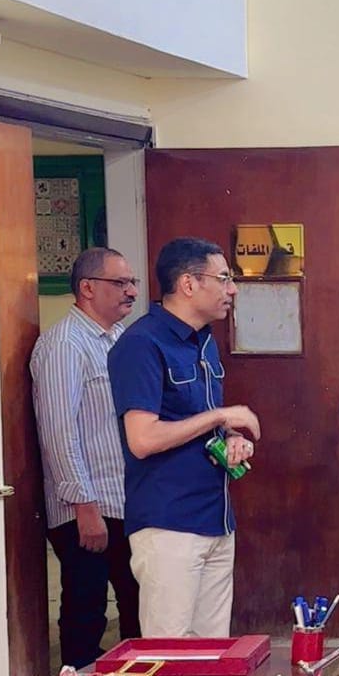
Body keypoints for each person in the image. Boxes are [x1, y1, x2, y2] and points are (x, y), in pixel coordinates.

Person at [108, 237, 261, 638]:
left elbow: (196, 417)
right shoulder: (141, 344)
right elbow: (142, 438)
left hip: (215, 516)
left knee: (212, 654)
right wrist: (221, 415)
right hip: (169, 524)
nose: (232, 289)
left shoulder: (204, 340)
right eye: (224, 278)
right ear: (189, 284)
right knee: (170, 655)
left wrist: (229, 434)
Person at [31, 247, 142, 668]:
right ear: (88, 288)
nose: (132, 291)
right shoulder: (64, 345)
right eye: (121, 283)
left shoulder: (118, 339)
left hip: (123, 501)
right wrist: (84, 505)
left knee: (137, 607)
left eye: (132, 282)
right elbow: (58, 431)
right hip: (87, 508)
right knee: (86, 612)